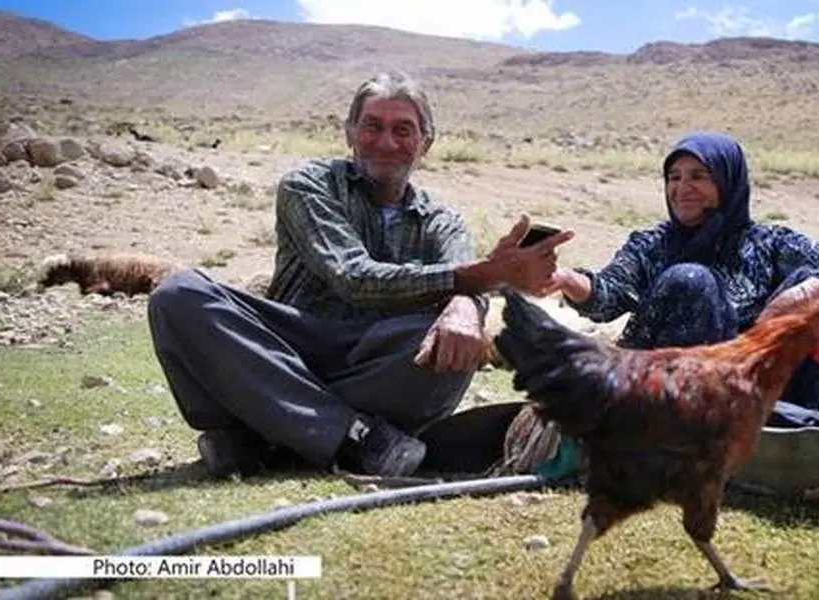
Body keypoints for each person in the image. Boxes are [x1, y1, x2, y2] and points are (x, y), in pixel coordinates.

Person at [146, 71, 573, 480]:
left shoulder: (442, 219)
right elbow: (355, 277)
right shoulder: (308, 186)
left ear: (426, 143)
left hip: (370, 368)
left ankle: (269, 437)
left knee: (453, 338)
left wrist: (468, 304)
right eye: (372, 126)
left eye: (403, 130)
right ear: (349, 132)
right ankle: (355, 436)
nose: (386, 142)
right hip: (286, 351)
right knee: (179, 294)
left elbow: (467, 277)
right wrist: (481, 278)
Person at [544, 130, 819, 413]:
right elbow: (608, 296)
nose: (682, 187)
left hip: (762, 394)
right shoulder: (652, 245)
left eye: (698, 176)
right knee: (690, 279)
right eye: (674, 177)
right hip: (674, 398)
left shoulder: (769, 243)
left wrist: (799, 297)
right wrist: (567, 279)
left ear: (728, 181)